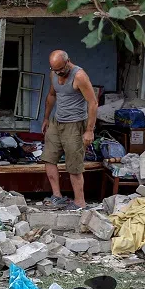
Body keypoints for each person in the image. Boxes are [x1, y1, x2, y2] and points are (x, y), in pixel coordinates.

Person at [41, 50, 98, 209]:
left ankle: (80, 202)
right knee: (49, 158)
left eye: (61, 69)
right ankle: (57, 196)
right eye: (55, 69)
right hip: (56, 122)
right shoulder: (54, 74)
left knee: (74, 165)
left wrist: (89, 130)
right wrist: (46, 118)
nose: (58, 72)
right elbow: (52, 95)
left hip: (75, 124)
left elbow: (93, 103)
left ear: (68, 62)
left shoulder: (79, 76)